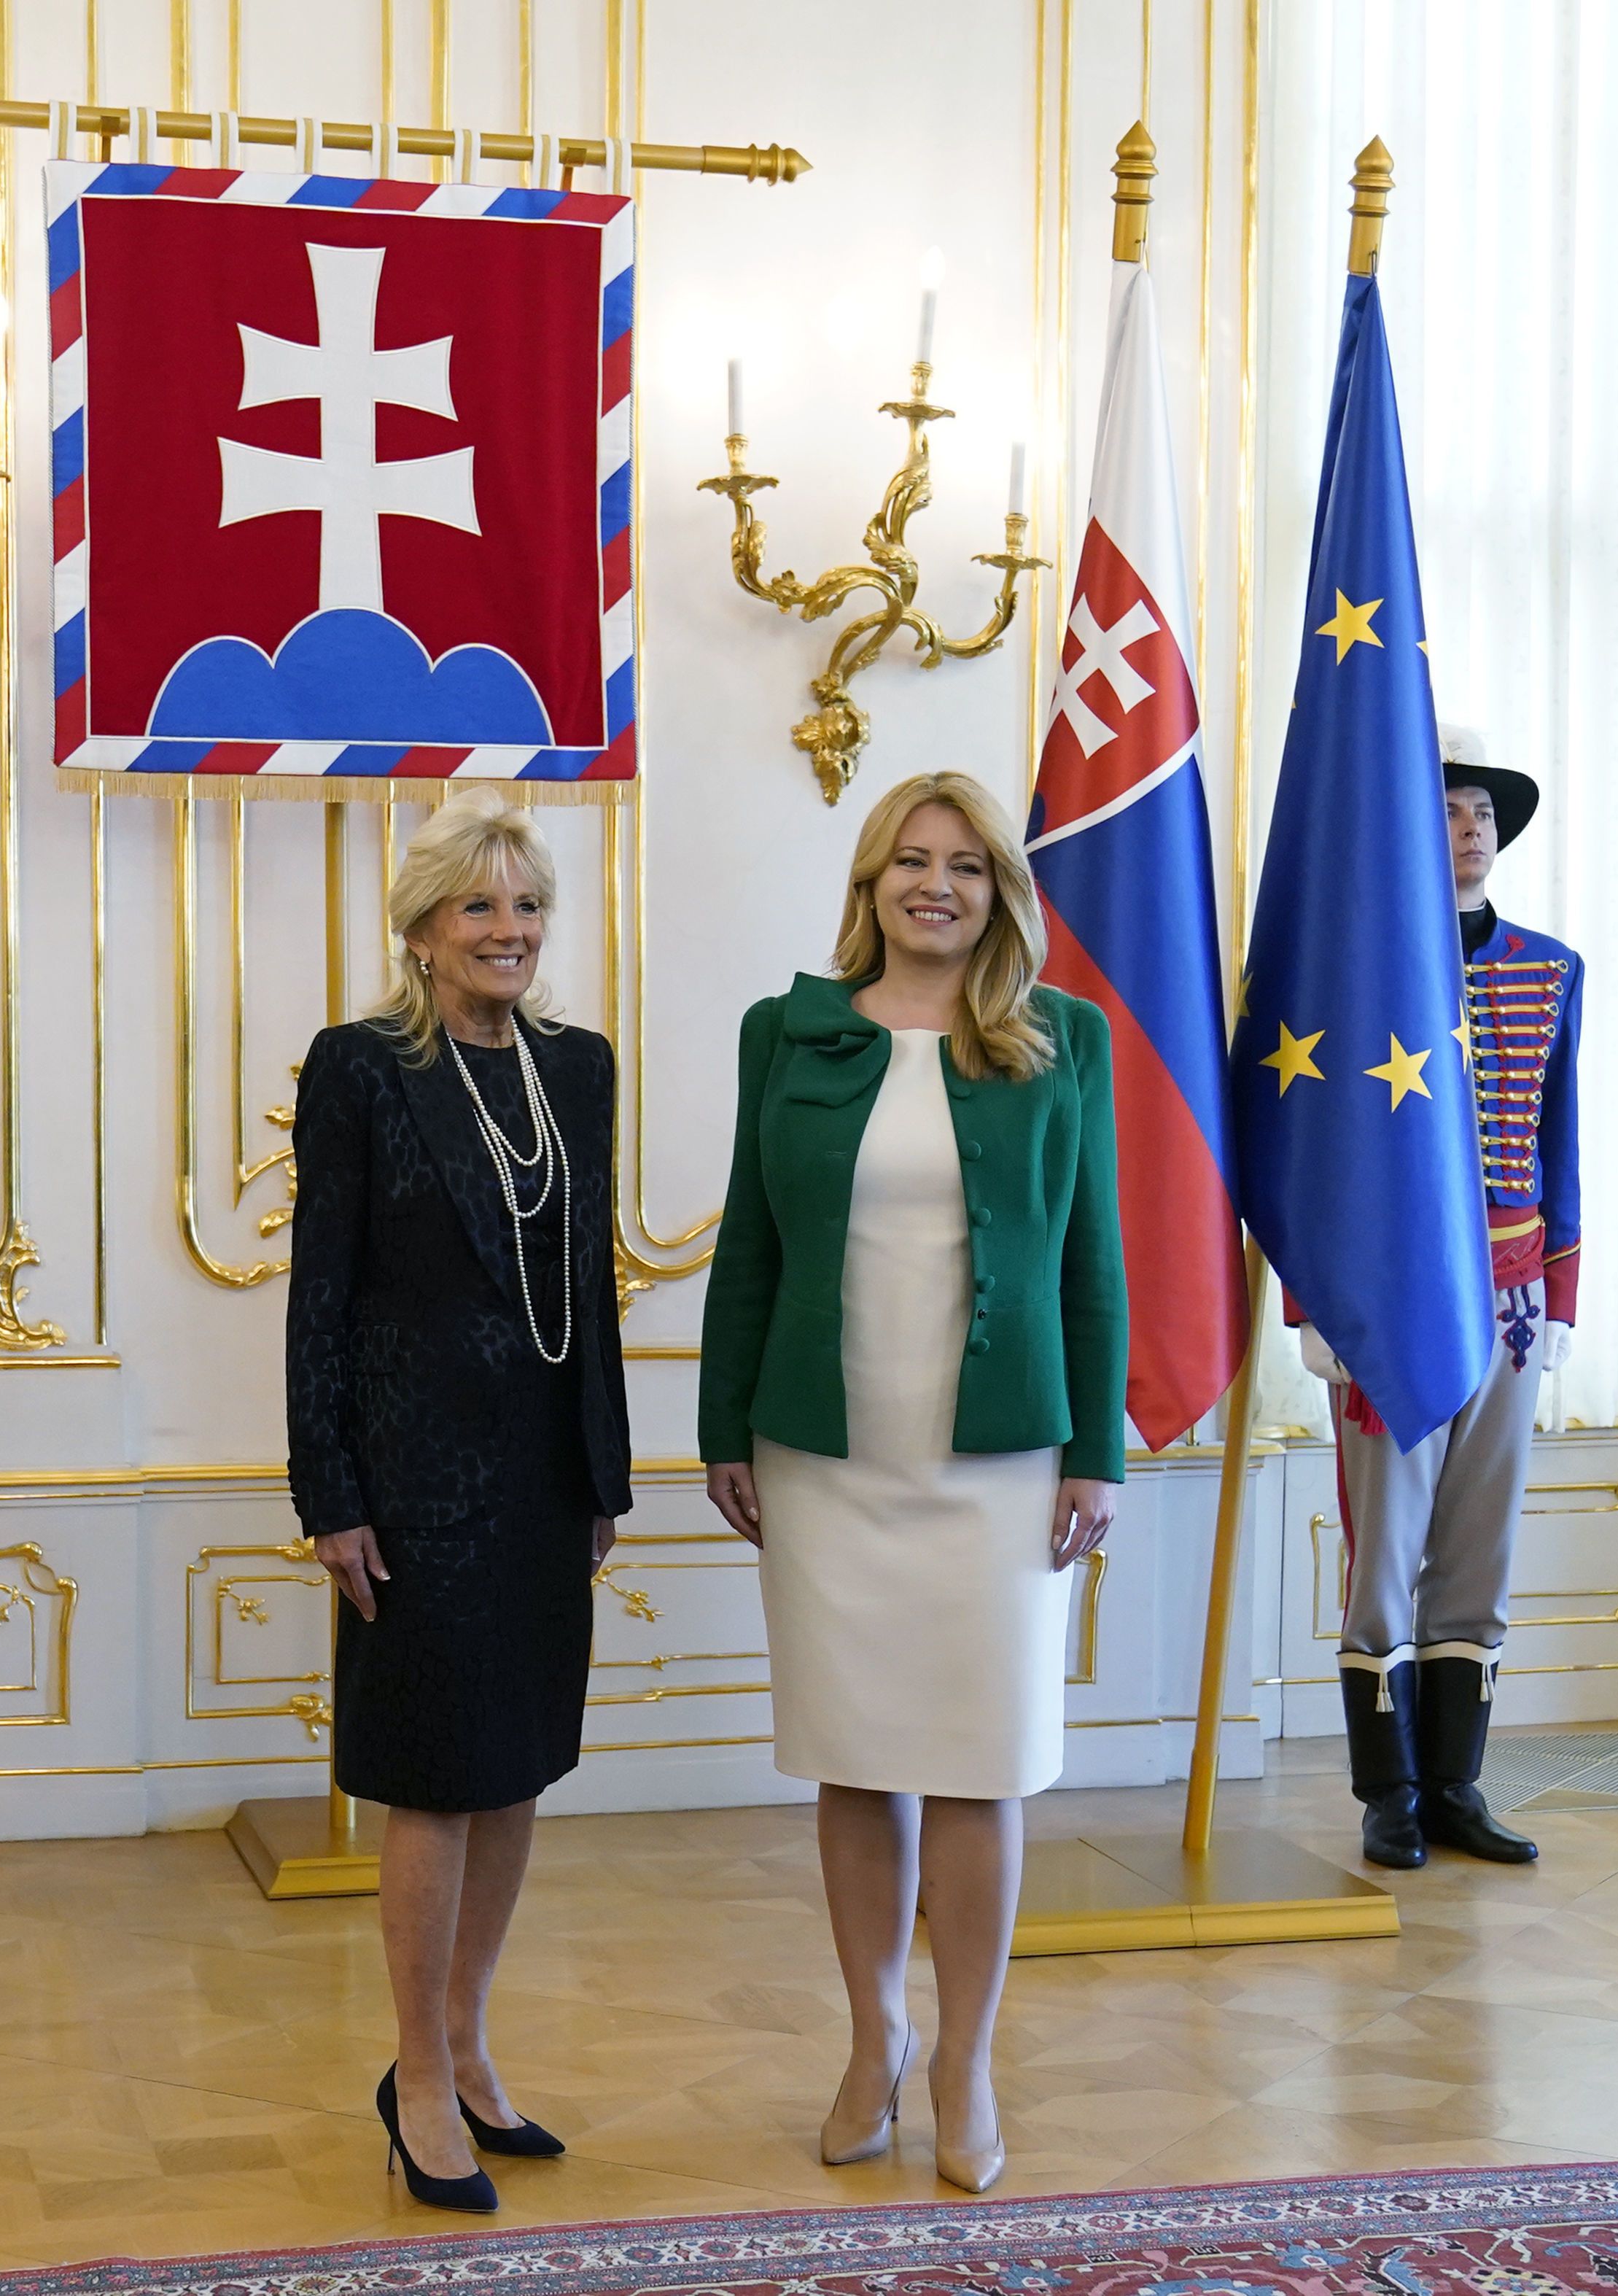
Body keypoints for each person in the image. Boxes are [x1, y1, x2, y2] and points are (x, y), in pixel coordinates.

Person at [698, 770, 1127, 2195]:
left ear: (1001, 890)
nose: (934, 885)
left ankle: (965, 2058)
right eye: (909, 860)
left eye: (964, 864)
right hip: (826, 1459)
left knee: (980, 1764)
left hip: (999, 1468)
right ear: (870, 882)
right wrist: (721, 1428)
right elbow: (748, 1246)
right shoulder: (787, 1033)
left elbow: (1092, 1259)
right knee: (856, 1753)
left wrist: (1097, 1450)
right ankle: (872, 2036)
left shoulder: (1062, 1039)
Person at [285, 788, 631, 2216]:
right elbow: (320, 1293)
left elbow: (590, 1287)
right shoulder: (360, 1067)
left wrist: (603, 1472)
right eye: (479, 904)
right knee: (435, 1776)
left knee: (518, 1766)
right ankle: (417, 2074)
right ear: (422, 929)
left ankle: (474, 2045)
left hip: (545, 1480)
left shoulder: (578, 1068)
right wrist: (330, 1493)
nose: (510, 928)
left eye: (529, 903)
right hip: (415, 1487)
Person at [1303, 724, 1581, 1871]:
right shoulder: (1353, 967)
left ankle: (1454, 1784)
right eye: (1446, 811)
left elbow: (1558, 1141)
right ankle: (1387, 1793)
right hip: (1392, 1297)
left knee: (1477, 1549)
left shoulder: (1549, 968)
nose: (1467, 830)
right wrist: (1312, 1305)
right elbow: (1313, 1145)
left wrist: (1560, 1296)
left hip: (1511, 1296)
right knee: (1384, 1557)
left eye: (1481, 814)